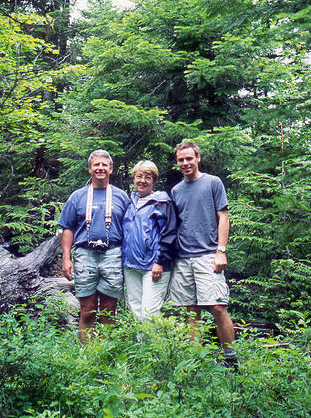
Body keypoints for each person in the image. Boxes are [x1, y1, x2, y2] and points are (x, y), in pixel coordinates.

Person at [168, 141, 238, 368]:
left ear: (198, 158)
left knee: (218, 307)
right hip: (184, 257)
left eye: (189, 158)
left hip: (209, 254)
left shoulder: (213, 183)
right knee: (192, 310)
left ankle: (231, 360)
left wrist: (221, 251)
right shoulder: (176, 190)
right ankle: (195, 361)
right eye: (181, 160)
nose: (185, 163)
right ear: (177, 162)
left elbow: (223, 217)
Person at [58, 149, 129, 342]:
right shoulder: (77, 196)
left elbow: (130, 228)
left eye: (104, 165)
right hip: (85, 254)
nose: (100, 168)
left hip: (112, 254)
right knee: (87, 311)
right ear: (90, 168)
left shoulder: (121, 196)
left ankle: (105, 354)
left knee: (108, 312)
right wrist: (66, 259)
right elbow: (67, 228)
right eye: (96, 165)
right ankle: (87, 356)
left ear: (111, 169)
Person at [122, 160, 176, 321]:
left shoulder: (162, 202)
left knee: (149, 314)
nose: (142, 181)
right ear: (133, 179)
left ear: (154, 181)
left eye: (148, 177)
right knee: (137, 312)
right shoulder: (130, 202)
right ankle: (142, 347)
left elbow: (170, 233)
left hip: (154, 266)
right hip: (131, 266)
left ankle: (158, 346)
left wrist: (160, 261)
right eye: (139, 176)